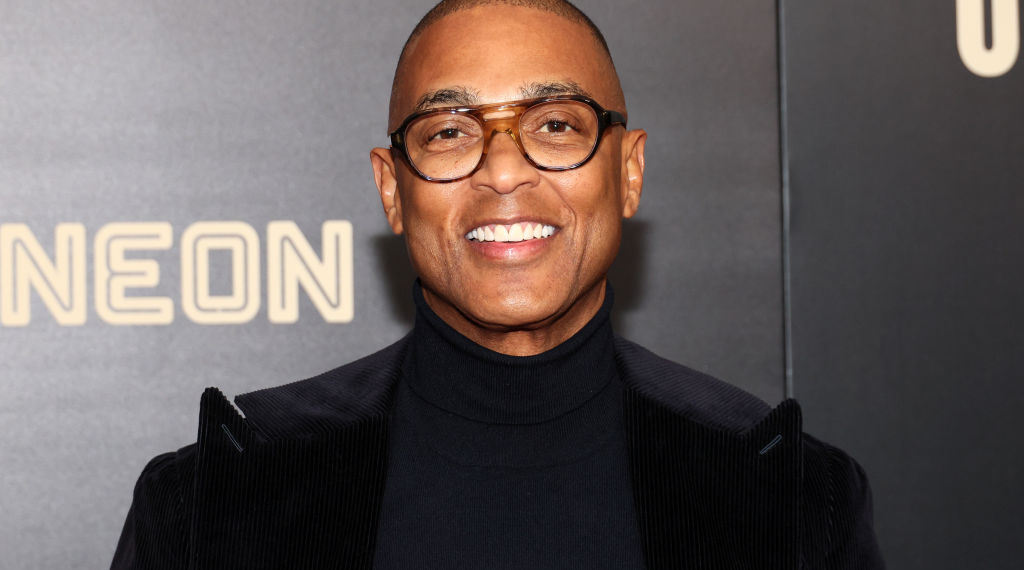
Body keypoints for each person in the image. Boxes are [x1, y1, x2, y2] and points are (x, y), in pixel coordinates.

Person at [112, 1, 885, 568]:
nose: (505, 169)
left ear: (629, 170)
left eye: (556, 123)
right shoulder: (211, 502)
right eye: (450, 132)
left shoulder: (792, 501)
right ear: (392, 189)